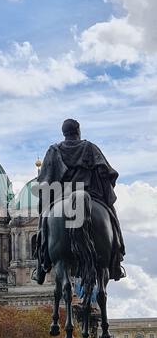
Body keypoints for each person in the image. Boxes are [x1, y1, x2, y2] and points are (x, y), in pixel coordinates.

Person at [32, 118, 125, 285]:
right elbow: (107, 173)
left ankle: (40, 267)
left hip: (61, 196)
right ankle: (117, 258)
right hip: (91, 194)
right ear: (78, 131)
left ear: (64, 133)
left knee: (43, 222)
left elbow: (45, 182)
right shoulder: (90, 148)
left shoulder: (54, 150)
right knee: (112, 217)